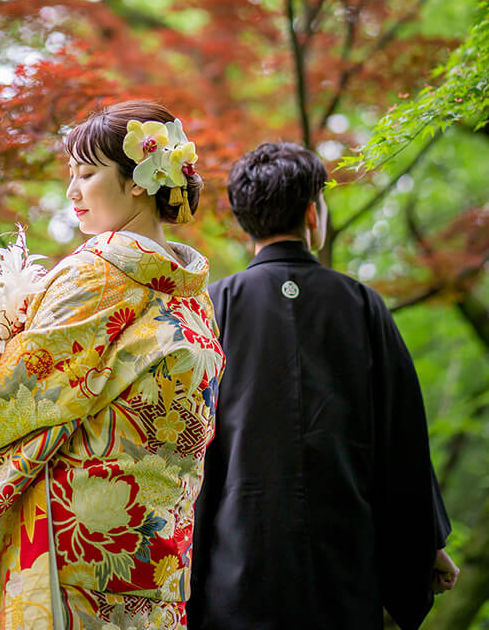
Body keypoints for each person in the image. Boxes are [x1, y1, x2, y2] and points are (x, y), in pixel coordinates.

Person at [0, 100, 225, 630]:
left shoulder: (97, 277)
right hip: (155, 549)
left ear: (138, 182)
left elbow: (12, 396)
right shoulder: (194, 295)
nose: (72, 191)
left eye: (87, 174)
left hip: (71, 552)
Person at [188, 141, 458, 630]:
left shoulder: (210, 308)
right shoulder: (361, 304)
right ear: (314, 214)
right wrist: (426, 546)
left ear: (243, 220)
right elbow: (403, 443)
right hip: (343, 574)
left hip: (235, 569)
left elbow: (184, 445)